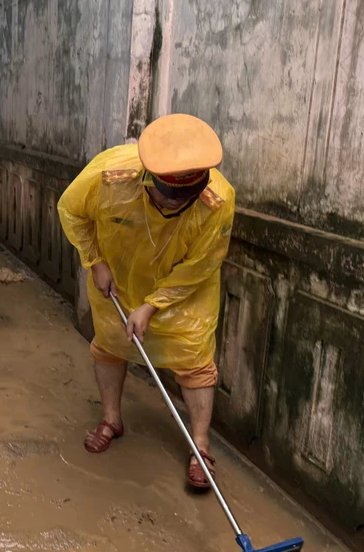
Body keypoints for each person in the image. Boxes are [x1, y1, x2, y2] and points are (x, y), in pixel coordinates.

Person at [57, 114, 235, 490]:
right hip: (118, 281)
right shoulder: (108, 177)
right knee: (110, 346)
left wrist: (153, 305)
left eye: (184, 202)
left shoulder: (218, 200)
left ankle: (199, 445)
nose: (174, 208)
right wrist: (95, 260)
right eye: (168, 199)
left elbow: (202, 263)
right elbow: (70, 211)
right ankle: (111, 419)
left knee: (194, 359)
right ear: (148, 179)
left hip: (184, 289)